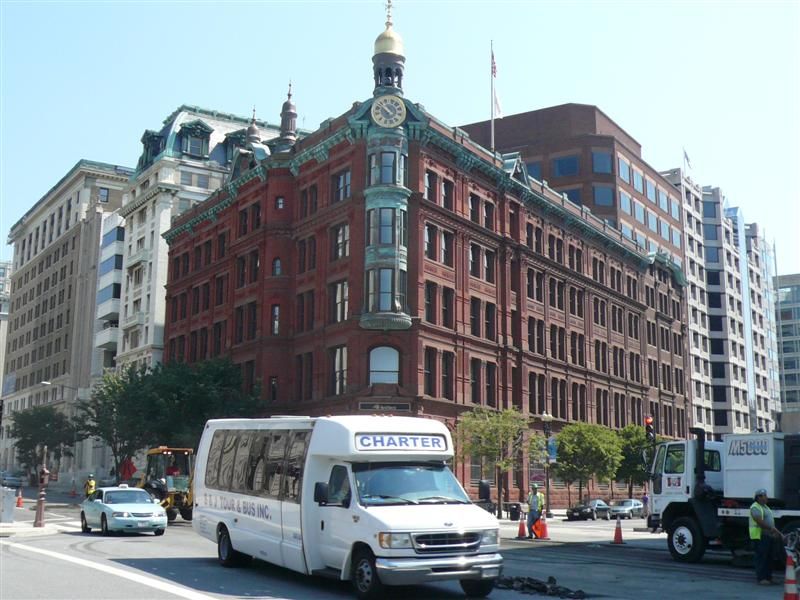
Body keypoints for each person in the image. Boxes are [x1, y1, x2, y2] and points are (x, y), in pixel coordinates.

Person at [749, 488, 781, 585]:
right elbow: (759, 521)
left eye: (766, 496)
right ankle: (762, 578)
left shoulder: (766, 507)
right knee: (762, 557)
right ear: (758, 497)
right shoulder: (755, 507)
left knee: (769, 557)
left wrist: (774, 532)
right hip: (760, 536)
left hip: (768, 536)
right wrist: (771, 529)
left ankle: (768, 577)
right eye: (764, 496)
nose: (766, 498)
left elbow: (770, 522)